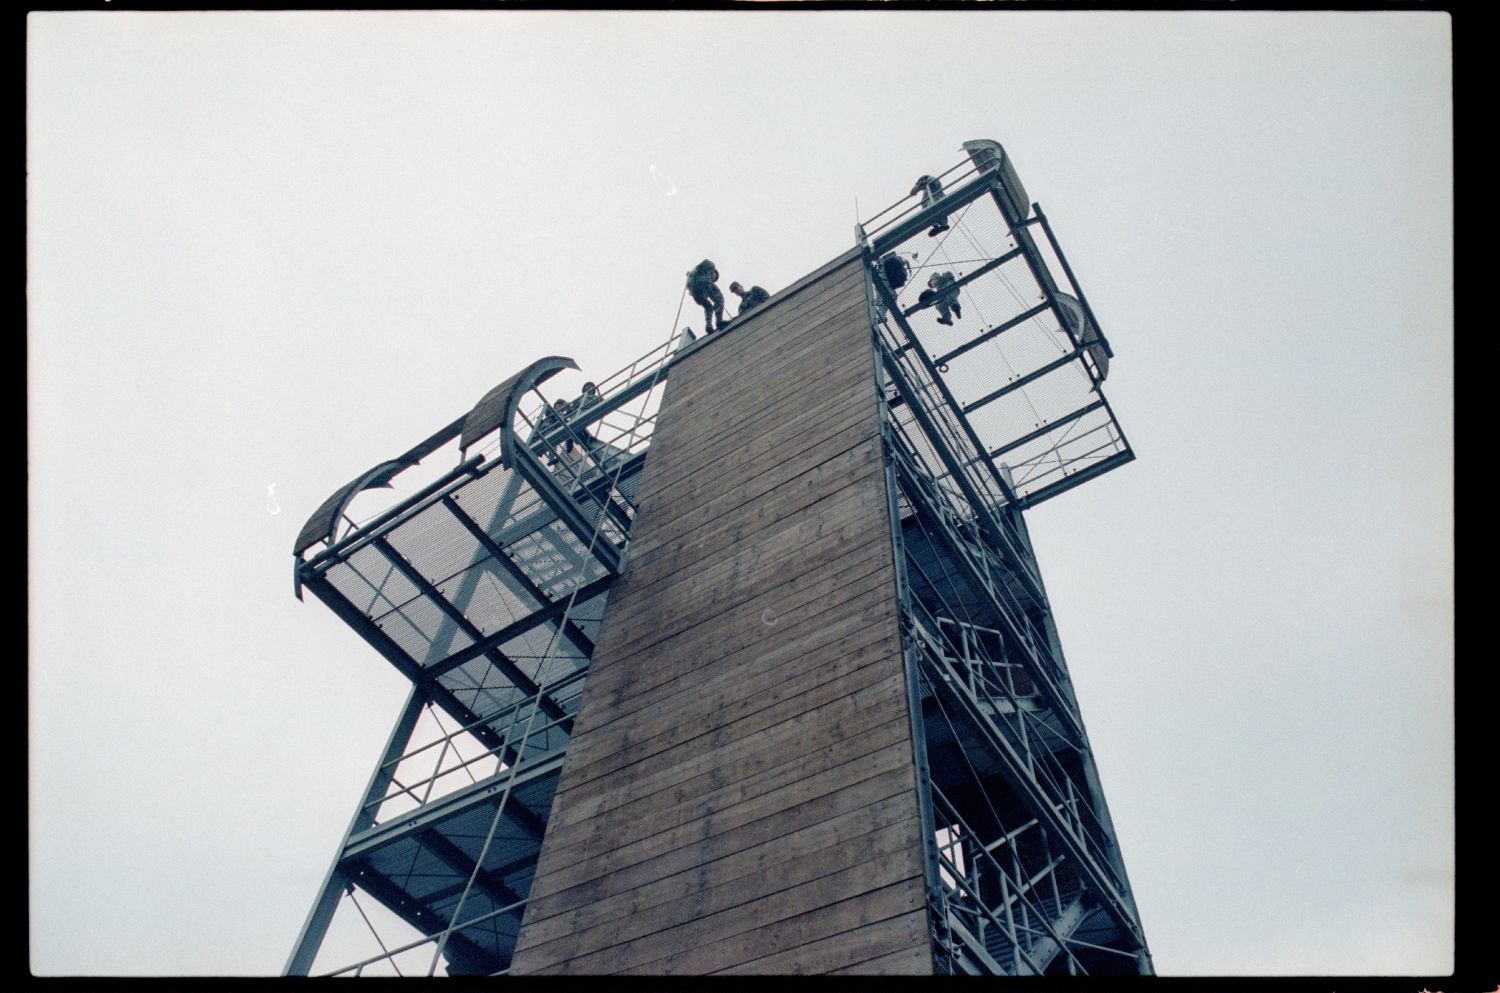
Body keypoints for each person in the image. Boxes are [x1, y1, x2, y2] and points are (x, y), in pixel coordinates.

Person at [685, 259, 727, 334]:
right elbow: (706, 262)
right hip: (703, 283)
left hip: (695, 292)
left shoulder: (695, 275)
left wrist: (692, 272)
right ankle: (719, 321)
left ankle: (708, 325)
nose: (714, 280)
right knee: (720, 298)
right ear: (714, 272)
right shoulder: (711, 266)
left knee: (708, 307)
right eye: (715, 278)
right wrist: (695, 269)